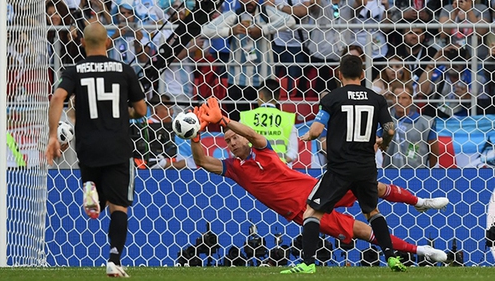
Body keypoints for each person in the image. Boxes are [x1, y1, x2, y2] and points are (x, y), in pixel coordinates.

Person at [191, 98, 448, 267]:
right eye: (227, 140)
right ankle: (421, 251)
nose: (232, 142)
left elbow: (254, 134)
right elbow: (202, 161)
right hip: (303, 213)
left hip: (317, 190)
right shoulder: (234, 169)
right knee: (360, 231)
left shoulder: (263, 151)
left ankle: (419, 202)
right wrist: (195, 135)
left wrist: (224, 120)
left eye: (234, 137)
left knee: (373, 188)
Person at [45, 23, 147, 277]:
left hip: (88, 147)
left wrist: (51, 136)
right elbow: (142, 111)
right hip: (118, 147)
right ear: (108, 43)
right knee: (119, 208)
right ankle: (114, 258)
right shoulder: (124, 70)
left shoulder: (75, 70)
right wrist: (122, 111)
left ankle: (91, 188)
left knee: (97, 189)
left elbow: (57, 97)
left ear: (82, 43)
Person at [294, 55, 405, 273]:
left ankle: (308, 264)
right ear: (363, 75)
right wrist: (384, 143)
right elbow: (390, 129)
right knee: (372, 211)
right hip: (365, 166)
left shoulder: (332, 98)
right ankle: (392, 258)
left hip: (340, 167)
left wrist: (308, 136)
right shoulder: (377, 99)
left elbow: (317, 130)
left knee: (311, 213)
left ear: (339, 74)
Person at [200, 0, 296, 121]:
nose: (249, 2)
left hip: (264, 79)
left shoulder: (266, 12)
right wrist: (230, 31)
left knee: (265, 123)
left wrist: (263, 30)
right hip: (238, 79)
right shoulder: (234, 15)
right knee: (238, 123)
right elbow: (205, 30)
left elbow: (290, 21)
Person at [240, 79, 298, 164]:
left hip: (253, 170)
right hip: (279, 172)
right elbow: (293, 152)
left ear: (260, 95)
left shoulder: (246, 117)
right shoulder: (287, 118)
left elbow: (237, 147)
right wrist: (279, 164)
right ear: (279, 97)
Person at [382, 81, 439, 168]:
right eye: (397, 97)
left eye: (404, 98)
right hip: (390, 172)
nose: (400, 101)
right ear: (392, 99)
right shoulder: (384, 119)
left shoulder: (425, 123)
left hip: (417, 173)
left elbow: (434, 153)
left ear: (411, 100)